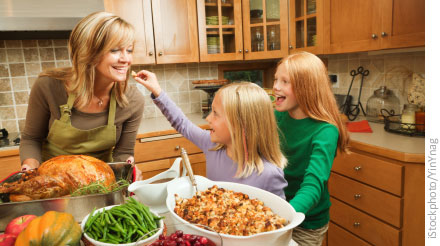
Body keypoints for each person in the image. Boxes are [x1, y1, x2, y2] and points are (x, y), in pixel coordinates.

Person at [20, 11, 145, 177]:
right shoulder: (48, 86)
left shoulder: (132, 99)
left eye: (129, 50)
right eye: (115, 50)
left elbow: (123, 152)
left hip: (100, 182)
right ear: (89, 53)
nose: (126, 59)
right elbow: (31, 138)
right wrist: (30, 169)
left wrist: (127, 166)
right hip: (52, 181)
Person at [134, 71, 288, 198]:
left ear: (240, 124)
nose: (208, 118)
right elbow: (182, 123)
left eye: (215, 113)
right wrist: (157, 91)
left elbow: (280, 222)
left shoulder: (269, 174)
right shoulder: (212, 145)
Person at [273, 51, 350, 245]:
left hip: (306, 224)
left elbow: (313, 185)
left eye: (284, 82)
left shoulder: (325, 131)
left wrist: (284, 217)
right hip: (275, 211)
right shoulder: (276, 117)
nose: (275, 87)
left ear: (306, 88)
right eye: (276, 79)